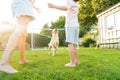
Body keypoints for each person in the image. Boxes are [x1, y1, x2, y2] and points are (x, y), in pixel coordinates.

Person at [0, 0, 40, 73]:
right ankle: (3, 63)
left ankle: (22, 59)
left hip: (25, 3)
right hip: (23, 3)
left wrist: (34, 6)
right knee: (20, 31)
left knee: (23, 33)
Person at [48, 0, 80, 67]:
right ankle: (77, 61)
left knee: (70, 44)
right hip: (75, 26)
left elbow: (65, 7)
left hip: (70, 26)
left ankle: (72, 62)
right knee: (73, 45)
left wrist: (53, 6)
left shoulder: (70, 1)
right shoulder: (76, 4)